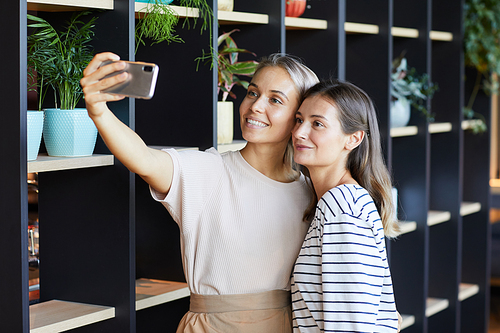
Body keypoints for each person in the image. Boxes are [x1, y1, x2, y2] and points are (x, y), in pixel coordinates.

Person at [80, 52, 319, 332]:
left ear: (298, 118)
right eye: (253, 93)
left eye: (275, 100)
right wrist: (99, 111)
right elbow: (143, 158)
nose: (255, 106)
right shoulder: (211, 170)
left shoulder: (309, 191)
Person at [290, 79, 401, 332]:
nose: (299, 132)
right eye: (299, 119)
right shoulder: (335, 202)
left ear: (353, 139)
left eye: (317, 124)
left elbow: (351, 326)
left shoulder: (343, 208)